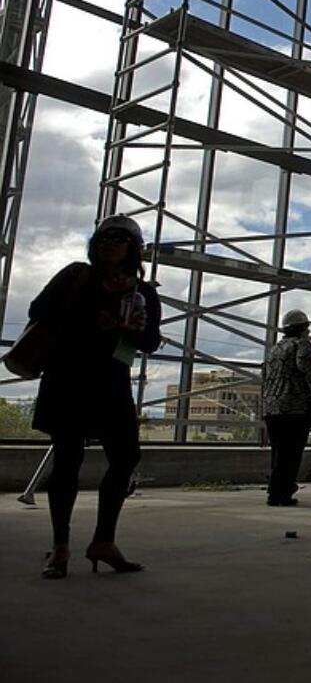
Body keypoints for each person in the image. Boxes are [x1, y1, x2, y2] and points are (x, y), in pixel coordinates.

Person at [30, 214, 161, 579]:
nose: (109, 242)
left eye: (119, 237)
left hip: (111, 380)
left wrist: (133, 328)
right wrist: (95, 316)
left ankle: (103, 540)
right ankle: (60, 546)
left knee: (126, 456)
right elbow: (38, 311)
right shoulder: (77, 276)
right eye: (103, 237)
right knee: (67, 460)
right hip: (68, 377)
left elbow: (150, 341)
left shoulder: (143, 291)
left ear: (133, 247)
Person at [260, 309, 311, 507]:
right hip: (294, 408)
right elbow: (309, 371)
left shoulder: (275, 348)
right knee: (292, 453)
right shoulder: (302, 344)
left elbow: (265, 374)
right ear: (303, 328)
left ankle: (275, 491)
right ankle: (282, 493)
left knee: (278, 452)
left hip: (272, 408)